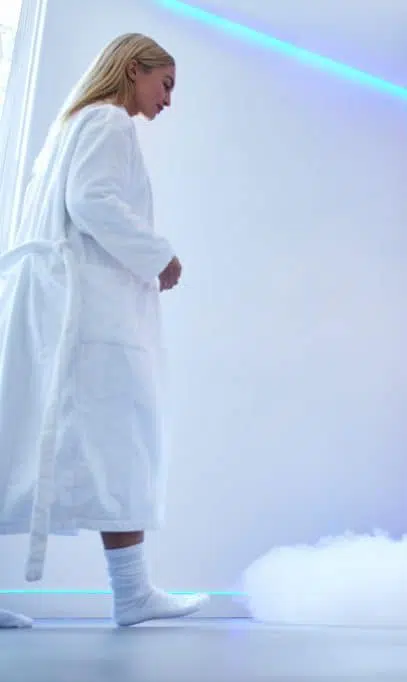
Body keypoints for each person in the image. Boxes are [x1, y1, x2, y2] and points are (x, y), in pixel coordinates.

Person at [0, 33, 207, 628]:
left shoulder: (75, 126)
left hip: (67, 310)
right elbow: (91, 199)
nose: (168, 100)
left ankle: (133, 592)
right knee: (123, 440)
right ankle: (133, 592)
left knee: (95, 447)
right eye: (165, 83)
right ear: (134, 70)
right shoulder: (109, 122)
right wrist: (158, 255)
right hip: (88, 317)